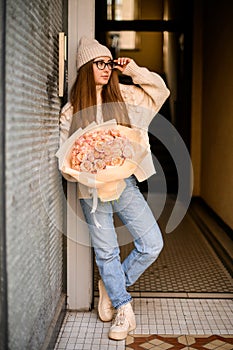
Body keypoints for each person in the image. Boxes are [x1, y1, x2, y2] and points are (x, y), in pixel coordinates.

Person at [59, 36, 170, 341]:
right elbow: (64, 160)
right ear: (85, 68)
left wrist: (133, 70)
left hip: (124, 184)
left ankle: (109, 286)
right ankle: (123, 308)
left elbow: (160, 92)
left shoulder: (124, 95)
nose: (106, 68)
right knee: (106, 251)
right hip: (89, 192)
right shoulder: (71, 111)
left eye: (108, 63)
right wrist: (81, 169)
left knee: (151, 243)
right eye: (99, 63)